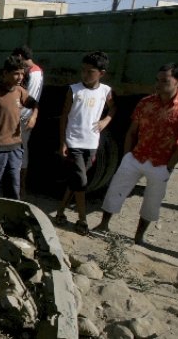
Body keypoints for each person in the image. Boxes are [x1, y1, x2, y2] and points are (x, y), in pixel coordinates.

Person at [93, 63, 178, 244]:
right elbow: (132, 131)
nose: (159, 84)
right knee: (116, 190)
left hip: (161, 163)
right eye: (157, 80)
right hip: (136, 156)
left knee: (152, 201)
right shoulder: (146, 102)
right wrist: (127, 155)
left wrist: (171, 164)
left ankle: (138, 237)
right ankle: (103, 224)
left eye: (165, 81)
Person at [54, 51, 116, 234]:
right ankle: (82, 220)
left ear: (101, 73)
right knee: (81, 181)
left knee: (77, 182)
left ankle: (59, 212)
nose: (85, 74)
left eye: (90, 71)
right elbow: (64, 117)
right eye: (83, 70)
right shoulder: (74, 90)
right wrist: (62, 142)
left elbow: (113, 109)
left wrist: (105, 120)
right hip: (74, 142)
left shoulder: (106, 91)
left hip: (92, 144)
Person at [0, 55, 37, 199]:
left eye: (22, 73)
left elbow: (34, 104)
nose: (20, 77)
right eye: (16, 73)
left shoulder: (20, 91)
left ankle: (10, 215)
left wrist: (33, 117)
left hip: (15, 147)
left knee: (13, 185)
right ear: (5, 73)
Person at [11, 46, 43, 198]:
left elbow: (30, 99)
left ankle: (20, 187)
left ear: (20, 56)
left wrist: (19, 113)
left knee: (20, 151)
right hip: (20, 116)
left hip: (22, 118)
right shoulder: (30, 72)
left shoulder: (34, 73)